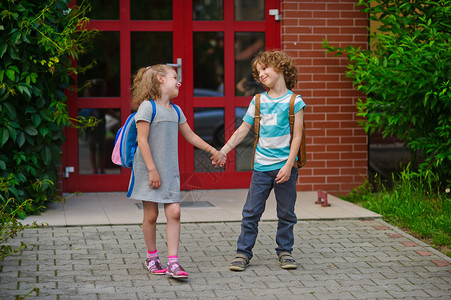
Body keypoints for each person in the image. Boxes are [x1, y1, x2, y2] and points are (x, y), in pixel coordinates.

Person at [128, 64, 225, 279]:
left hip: (170, 172)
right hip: (149, 170)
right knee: (151, 215)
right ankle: (152, 257)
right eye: (174, 77)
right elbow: (142, 141)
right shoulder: (147, 107)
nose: (179, 82)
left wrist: (213, 150)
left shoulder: (176, 110)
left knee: (175, 212)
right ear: (161, 79)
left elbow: (190, 136)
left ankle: (173, 262)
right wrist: (152, 170)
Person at [217, 51, 306, 271]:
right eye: (258, 72)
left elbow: (297, 136)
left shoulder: (295, 101)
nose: (261, 73)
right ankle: (242, 253)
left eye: (265, 68)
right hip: (261, 168)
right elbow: (242, 130)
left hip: (285, 168)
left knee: (286, 213)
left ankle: (285, 252)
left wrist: (288, 165)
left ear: (281, 68)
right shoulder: (258, 101)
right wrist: (224, 150)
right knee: (251, 213)